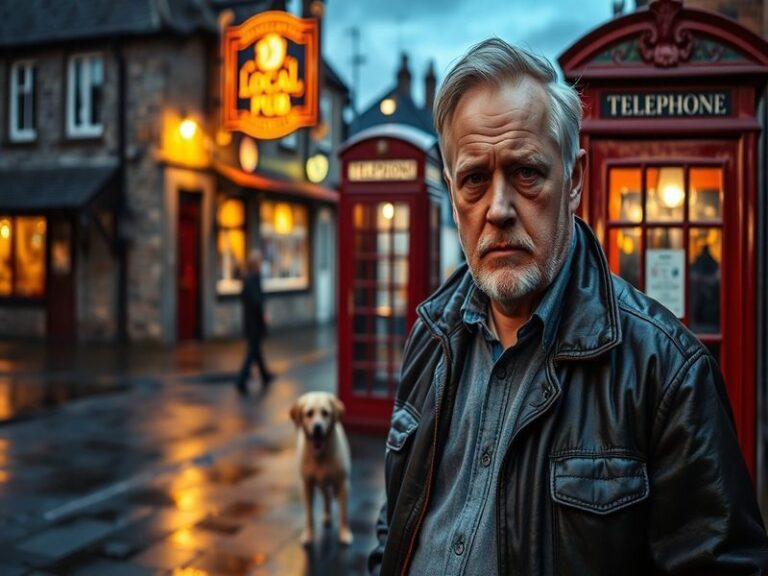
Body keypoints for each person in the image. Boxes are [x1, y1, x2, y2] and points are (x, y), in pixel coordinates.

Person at [369, 38, 768, 575]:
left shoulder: (668, 373)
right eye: (474, 180)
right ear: (452, 193)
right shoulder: (429, 336)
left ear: (575, 179)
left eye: (527, 172)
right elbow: (395, 524)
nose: (500, 209)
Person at [236, 249, 274, 395]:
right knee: (253, 351)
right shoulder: (253, 279)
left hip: (250, 321)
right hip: (254, 322)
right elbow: (256, 301)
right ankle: (241, 380)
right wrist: (264, 315)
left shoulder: (248, 278)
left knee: (256, 350)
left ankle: (265, 375)